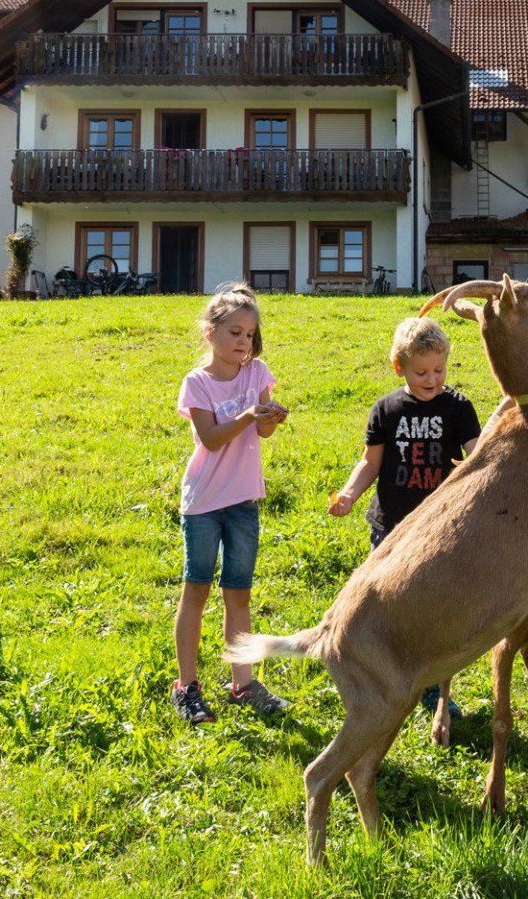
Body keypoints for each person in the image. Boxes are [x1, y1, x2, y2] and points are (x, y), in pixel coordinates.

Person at [328, 315, 485, 718]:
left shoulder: (458, 407)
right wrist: (348, 492)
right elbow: (370, 463)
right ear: (399, 366)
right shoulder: (386, 410)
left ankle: (430, 686)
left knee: (433, 610)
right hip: (391, 527)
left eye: (439, 370)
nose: (432, 379)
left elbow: (479, 455)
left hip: (441, 529)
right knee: (389, 606)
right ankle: (382, 675)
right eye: (421, 372)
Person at [172, 283, 291, 723]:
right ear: (209, 332)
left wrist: (270, 417)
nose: (243, 342)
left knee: (238, 595)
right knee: (197, 590)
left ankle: (242, 683)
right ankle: (186, 687)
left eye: (250, 335)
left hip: (243, 501)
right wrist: (246, 416)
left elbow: (260, 434)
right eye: (234, 333)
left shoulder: (257, 374)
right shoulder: (197, 383)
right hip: (203, 502)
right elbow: (211, 438)